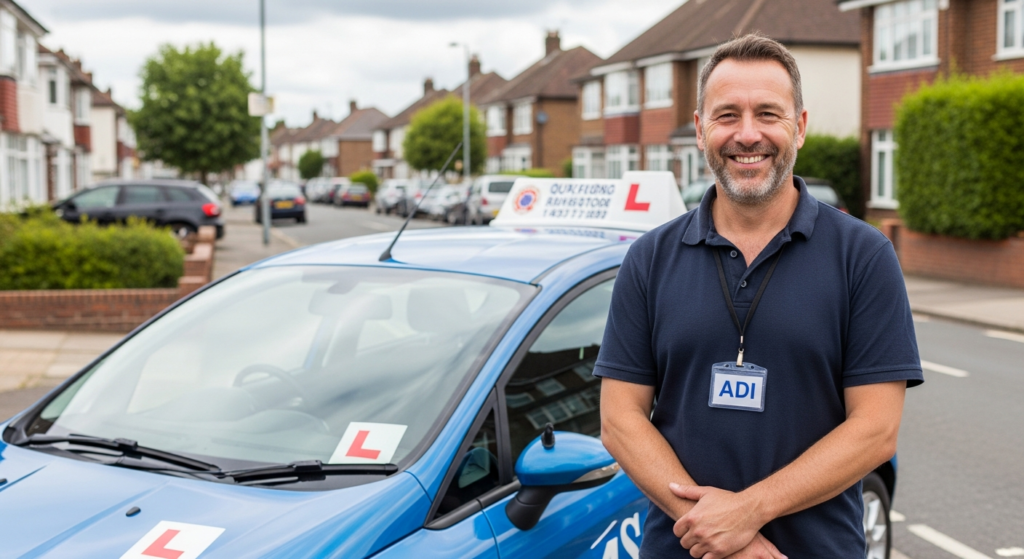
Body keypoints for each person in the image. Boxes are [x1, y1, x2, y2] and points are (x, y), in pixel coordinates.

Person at [594, 34, 923, 558]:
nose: (748, 134)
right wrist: (716, 531)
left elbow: (875, 429)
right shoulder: (650, 258)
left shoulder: (863, 256)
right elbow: (620, 420)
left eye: (768, 114)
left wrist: (750, 511)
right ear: (700, 130)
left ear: (801, 126)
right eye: (727, 115)